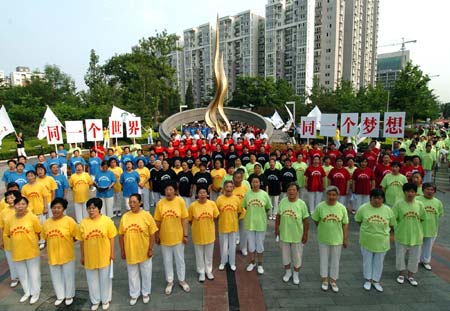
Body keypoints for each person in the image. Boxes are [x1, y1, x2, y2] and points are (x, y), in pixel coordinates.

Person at [77, 198, 117, 311]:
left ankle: (105, 299)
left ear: (99, 209)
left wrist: (112, 253)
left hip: (104, 255)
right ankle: (95, 300)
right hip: (90, 257)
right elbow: (81, 241)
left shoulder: (107, 221)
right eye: (89, 208)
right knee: (92, 280)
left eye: (93, 208)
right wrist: (82, 256)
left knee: (105, 279)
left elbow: (112, 238)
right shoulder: (83, 223)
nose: (91, 210)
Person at [119, 194, 158, 306]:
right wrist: (122, 250)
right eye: (130, 202)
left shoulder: (146, 215)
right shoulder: (125, 217)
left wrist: (151, 248)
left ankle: (145, 292)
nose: (132, 204)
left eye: (134, 202)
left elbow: (152, 234)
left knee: (146, 273)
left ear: (140, 203)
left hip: (144, 251)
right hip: (130, 251)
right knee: (132, 274)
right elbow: (121, 235)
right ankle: (134, 294)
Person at [355, 189, 396, 292]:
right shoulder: (363, 208)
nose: (377, 200)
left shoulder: (388, 210)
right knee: (367, 260)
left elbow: (391, 224)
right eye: (374, 198)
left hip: (382, 241)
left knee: (379, 261)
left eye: (380, 198)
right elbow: (358, 221)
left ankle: (376, 280)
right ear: (370, 198)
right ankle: (368, 279)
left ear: (383, 199)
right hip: (367, 239)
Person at [3, 197, 41, 304]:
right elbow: (7, 234)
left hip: (31, 250)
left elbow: (38, 232)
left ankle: (35, 293)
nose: (20, 206)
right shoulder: (10, 219)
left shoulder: (32, 217)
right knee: (22, 274)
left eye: (23, 204)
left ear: (27, 205)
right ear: (14, 206)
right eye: (18, 204)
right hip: (16, 251)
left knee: (34, 274)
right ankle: (27, 292)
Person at [154, 182, 190, 295]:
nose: (168, 192)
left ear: (175, 190)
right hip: (165, 238)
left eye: (170, 189)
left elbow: (184, 219)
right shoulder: (160, 203)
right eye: (166, 190)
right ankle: (170, 281)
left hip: (178, 237)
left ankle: (181, 280)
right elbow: (157, 222)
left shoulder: (180, 201)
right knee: (167, 260)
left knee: (180, 260)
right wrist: (157, 236)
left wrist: (185, 235)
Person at [312, 186, 349, 293]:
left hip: (337, 239)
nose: (331, 197)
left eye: (334, 195)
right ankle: (324, 279)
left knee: (335, 260)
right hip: (323, 238)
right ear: (326, 195)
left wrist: (345, 239)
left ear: (337, 196)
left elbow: (345, 224)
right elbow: (316, 220)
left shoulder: (342, 208)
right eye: (329, 194)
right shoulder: (320, 206)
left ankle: (333, 280)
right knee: (323, 259)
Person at [42, 198, 77, 306]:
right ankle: (60, 295)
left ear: (64, 209)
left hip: (67, 254)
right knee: (56, 276)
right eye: (54, 207)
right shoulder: (47, 222)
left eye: (59, 208)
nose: (56, 210)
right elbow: (45, 238)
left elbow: (75, 237)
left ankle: (69, 295)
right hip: (53, 255)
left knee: (68, 276)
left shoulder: (69, 221)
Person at [275, 183, 309, 285]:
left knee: (297, 256)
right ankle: (288, 272)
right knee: (285, 255)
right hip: (284, 234)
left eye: (294, 190)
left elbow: (306, 220)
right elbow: (278, 216)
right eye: (289, 190)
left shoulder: (301, 204)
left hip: (297, 235)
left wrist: (305, 234)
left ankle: (296, 274)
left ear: (297, 192)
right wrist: (276, 229)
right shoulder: (283, 202)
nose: (291, 192)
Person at [392, 183, 426, 287]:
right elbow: (394, 219)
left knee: (414, 257)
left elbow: (422, 217)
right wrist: (397, 229)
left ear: (416, 193)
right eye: (407, 191)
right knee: (400, 256)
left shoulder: (420, 205)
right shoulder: (398, 204)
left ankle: (411, 275)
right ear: (404, 192)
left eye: (412, 191)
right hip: (402, 234)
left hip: (416, 235)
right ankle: (401, 274)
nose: (410, 194)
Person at [188, 188, 219, 282]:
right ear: (197, 194)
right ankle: (201, 272)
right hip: (198, 234)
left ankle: (208, 271)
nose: (202, 194)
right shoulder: (193, 206)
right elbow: (190, 220)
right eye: (200, 192)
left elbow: (215, 217)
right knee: (199, 254)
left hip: (209, 233)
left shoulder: (212, 204)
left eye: (204, 192)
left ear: (207, 194)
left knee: (209, 255)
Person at [243, 176, 272, 275]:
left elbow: (268, 208)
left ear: (260, 183)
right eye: (253, 182)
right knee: (251, 245)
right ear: (251, 183)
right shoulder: (247, 194)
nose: (255, 184)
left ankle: (260, 264)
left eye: (257, 182)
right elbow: (245, 206)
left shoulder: (264, 194)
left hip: (261, 224)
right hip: (249, 223)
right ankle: (252, 262)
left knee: (260, 245)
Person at [416, 183, 444, 271]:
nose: (430, 191)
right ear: (423, 190)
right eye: (428, 189)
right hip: (418, 228)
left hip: (432, 228)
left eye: (432, 190)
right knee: (417, 246)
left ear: (434, 191)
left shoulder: (438, 202)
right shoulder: (417, 200)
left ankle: (425, 261)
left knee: (428, 247)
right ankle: (415, 261)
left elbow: (439, 214)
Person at [216, 181, 243, 271]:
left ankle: (232, 263)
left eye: (230, 187)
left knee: (232, 246)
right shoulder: (219, 199)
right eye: (227, 187)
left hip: (233, 226)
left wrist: (234, 219)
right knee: (223, 245)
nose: (228, 189)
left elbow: (239, 212)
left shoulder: (236, 199)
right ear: (224, 188)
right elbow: (216, 213)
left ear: (233, 188)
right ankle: (223, 262)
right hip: (223, 225)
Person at [21, 170, 48, 249]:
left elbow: (45, 197)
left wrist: (45, 207)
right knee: (32, 227)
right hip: (30, 211)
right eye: (28, 176)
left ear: (35, 176)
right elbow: (23, 200)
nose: (30, 177)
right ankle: (36, 240)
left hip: (40, 209)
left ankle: (42, 241)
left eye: (32, 175)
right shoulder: (24, 188)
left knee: (41, 226)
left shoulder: (41, 185)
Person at [0, 190, 21, 288]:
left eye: (12, 197)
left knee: (21, 258)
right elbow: (1, 227)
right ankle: (14, 277)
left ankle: (23, 276)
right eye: (8, 198)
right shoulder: (3, 212)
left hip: (20, 238)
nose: (10, 200)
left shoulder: (21, 209)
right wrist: (1, 240)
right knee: (10, 259)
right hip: (7, 239)